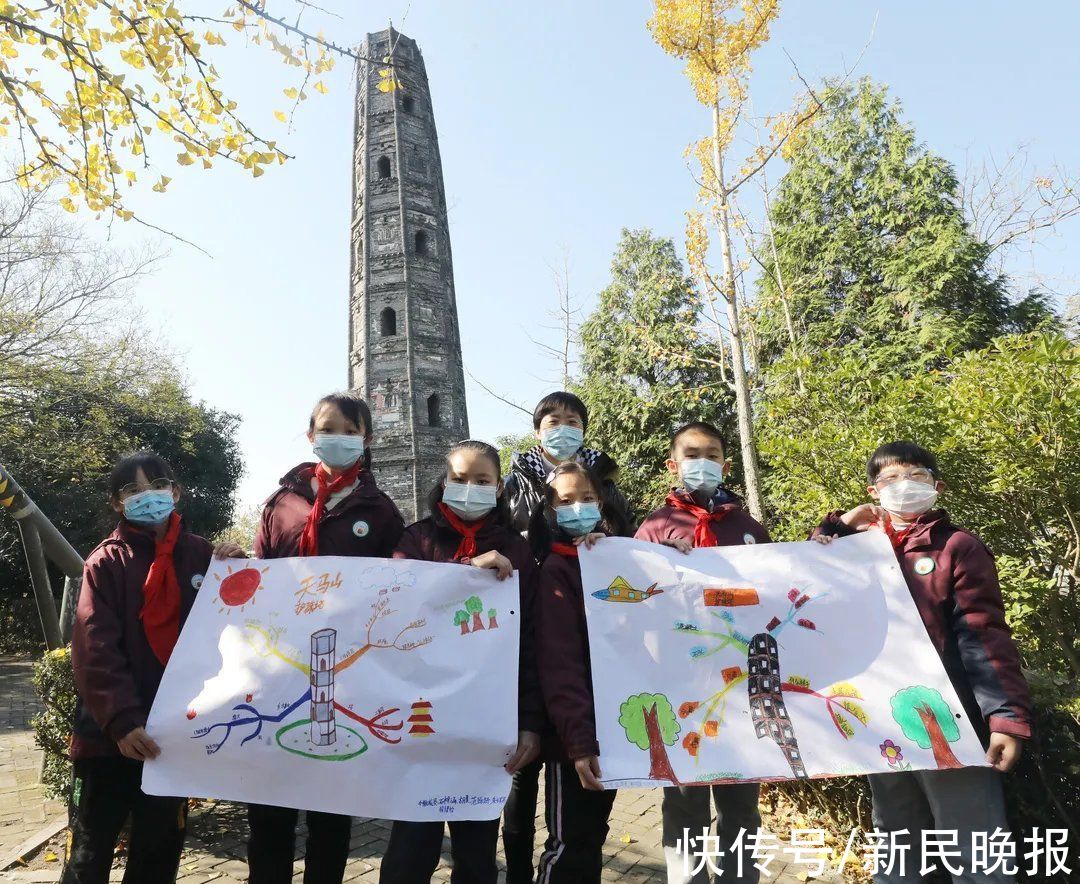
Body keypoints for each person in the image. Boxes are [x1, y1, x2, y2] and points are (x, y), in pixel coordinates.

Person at [811, 441, 1032, 884]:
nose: (903, 486)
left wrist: (1005, 718)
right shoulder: (857, 548)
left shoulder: (958, 547)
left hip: (948, 719)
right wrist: (836, 524)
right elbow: (802, 582)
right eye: (889, 479)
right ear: (873, 493)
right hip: (878, 720)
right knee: (896, 836)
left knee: (974, 841)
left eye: (915, 476)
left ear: (937, 486)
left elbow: (984, 636)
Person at [219, 392, 405, 884]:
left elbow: (403, 583)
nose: (338, 437)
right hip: (280, 667)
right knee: (270, 809)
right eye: (328, 427)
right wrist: (235, 565)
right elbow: (260, 576)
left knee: (330, 806)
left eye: (349, 429)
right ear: (310, 435)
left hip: (345, 672)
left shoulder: (380, 510)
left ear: (365, 439)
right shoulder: (283, 503)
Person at [379, 440, 543, 884]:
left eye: (482, 481)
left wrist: (529, 722)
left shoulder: (517, 550)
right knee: (409, 852)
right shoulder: (416, 539)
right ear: (444, 481)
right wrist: (471, 570)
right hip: (421, 721)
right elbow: (397, 611)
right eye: (460, 478)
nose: (470, 488)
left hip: (484, 726)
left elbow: (530, 643)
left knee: (475, 857)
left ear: (499, 486)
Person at [501, 391, 633, 883]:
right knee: (520, 783)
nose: (563, 427)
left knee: (576, 821)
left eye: (572, 420)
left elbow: (628, 550)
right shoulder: (514, 485)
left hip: (579, 630)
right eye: (553, 420)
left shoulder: (607, 484)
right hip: (526, 633)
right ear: (538, 429)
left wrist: (605, 547)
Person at [65, 452, 212, 884]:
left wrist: (236, 567)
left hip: (171, 739)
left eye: (158, 484)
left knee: (158, 854)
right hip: (107, 739)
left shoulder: (203, 557)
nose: (148, 496)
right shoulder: (105, 563)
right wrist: (123, 721)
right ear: (117, 503)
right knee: (88, 854)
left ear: (176, 492)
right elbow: (94, 649)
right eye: (133, 489)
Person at [635, 422, 768, 884]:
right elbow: (632, 602)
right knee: (684, 803)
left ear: (726, 464)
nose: (702, 461)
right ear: (673, 464)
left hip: (739, 686)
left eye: (711, 453)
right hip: (679, 686)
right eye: (691, 453)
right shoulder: (653, 527)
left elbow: (770, 595)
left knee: (740, 804)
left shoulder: (748, 527)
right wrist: (659, 565)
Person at [531, 461, 618, 884]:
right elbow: (558, 663)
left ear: (601, 502)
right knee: (568, 844)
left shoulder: (617, 560)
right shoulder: (554, 569)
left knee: (592, 837)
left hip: (614, 728)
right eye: (566, 501)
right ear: (550, 510)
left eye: (586, 498)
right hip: (575, 736)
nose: (578, 508)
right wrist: (578, 741)